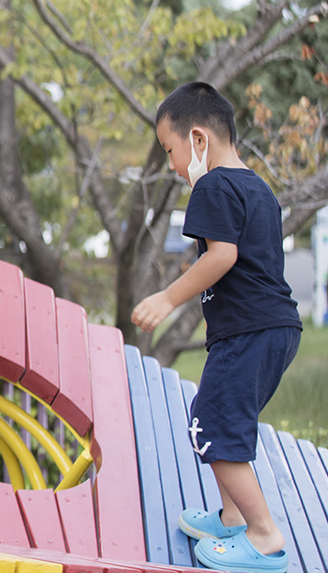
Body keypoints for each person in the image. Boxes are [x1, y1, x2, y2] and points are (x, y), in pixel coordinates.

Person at [132, 82, 301, 573]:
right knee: (224, 416)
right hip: (275, 328)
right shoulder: (258, 188)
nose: (171, 165)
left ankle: (264, 535)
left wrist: (167, 297)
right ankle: (230, 517)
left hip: (248, 330)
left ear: (199, 139)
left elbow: (222, 257)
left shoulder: (212, 186)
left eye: (170, 150)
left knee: (213, 425)